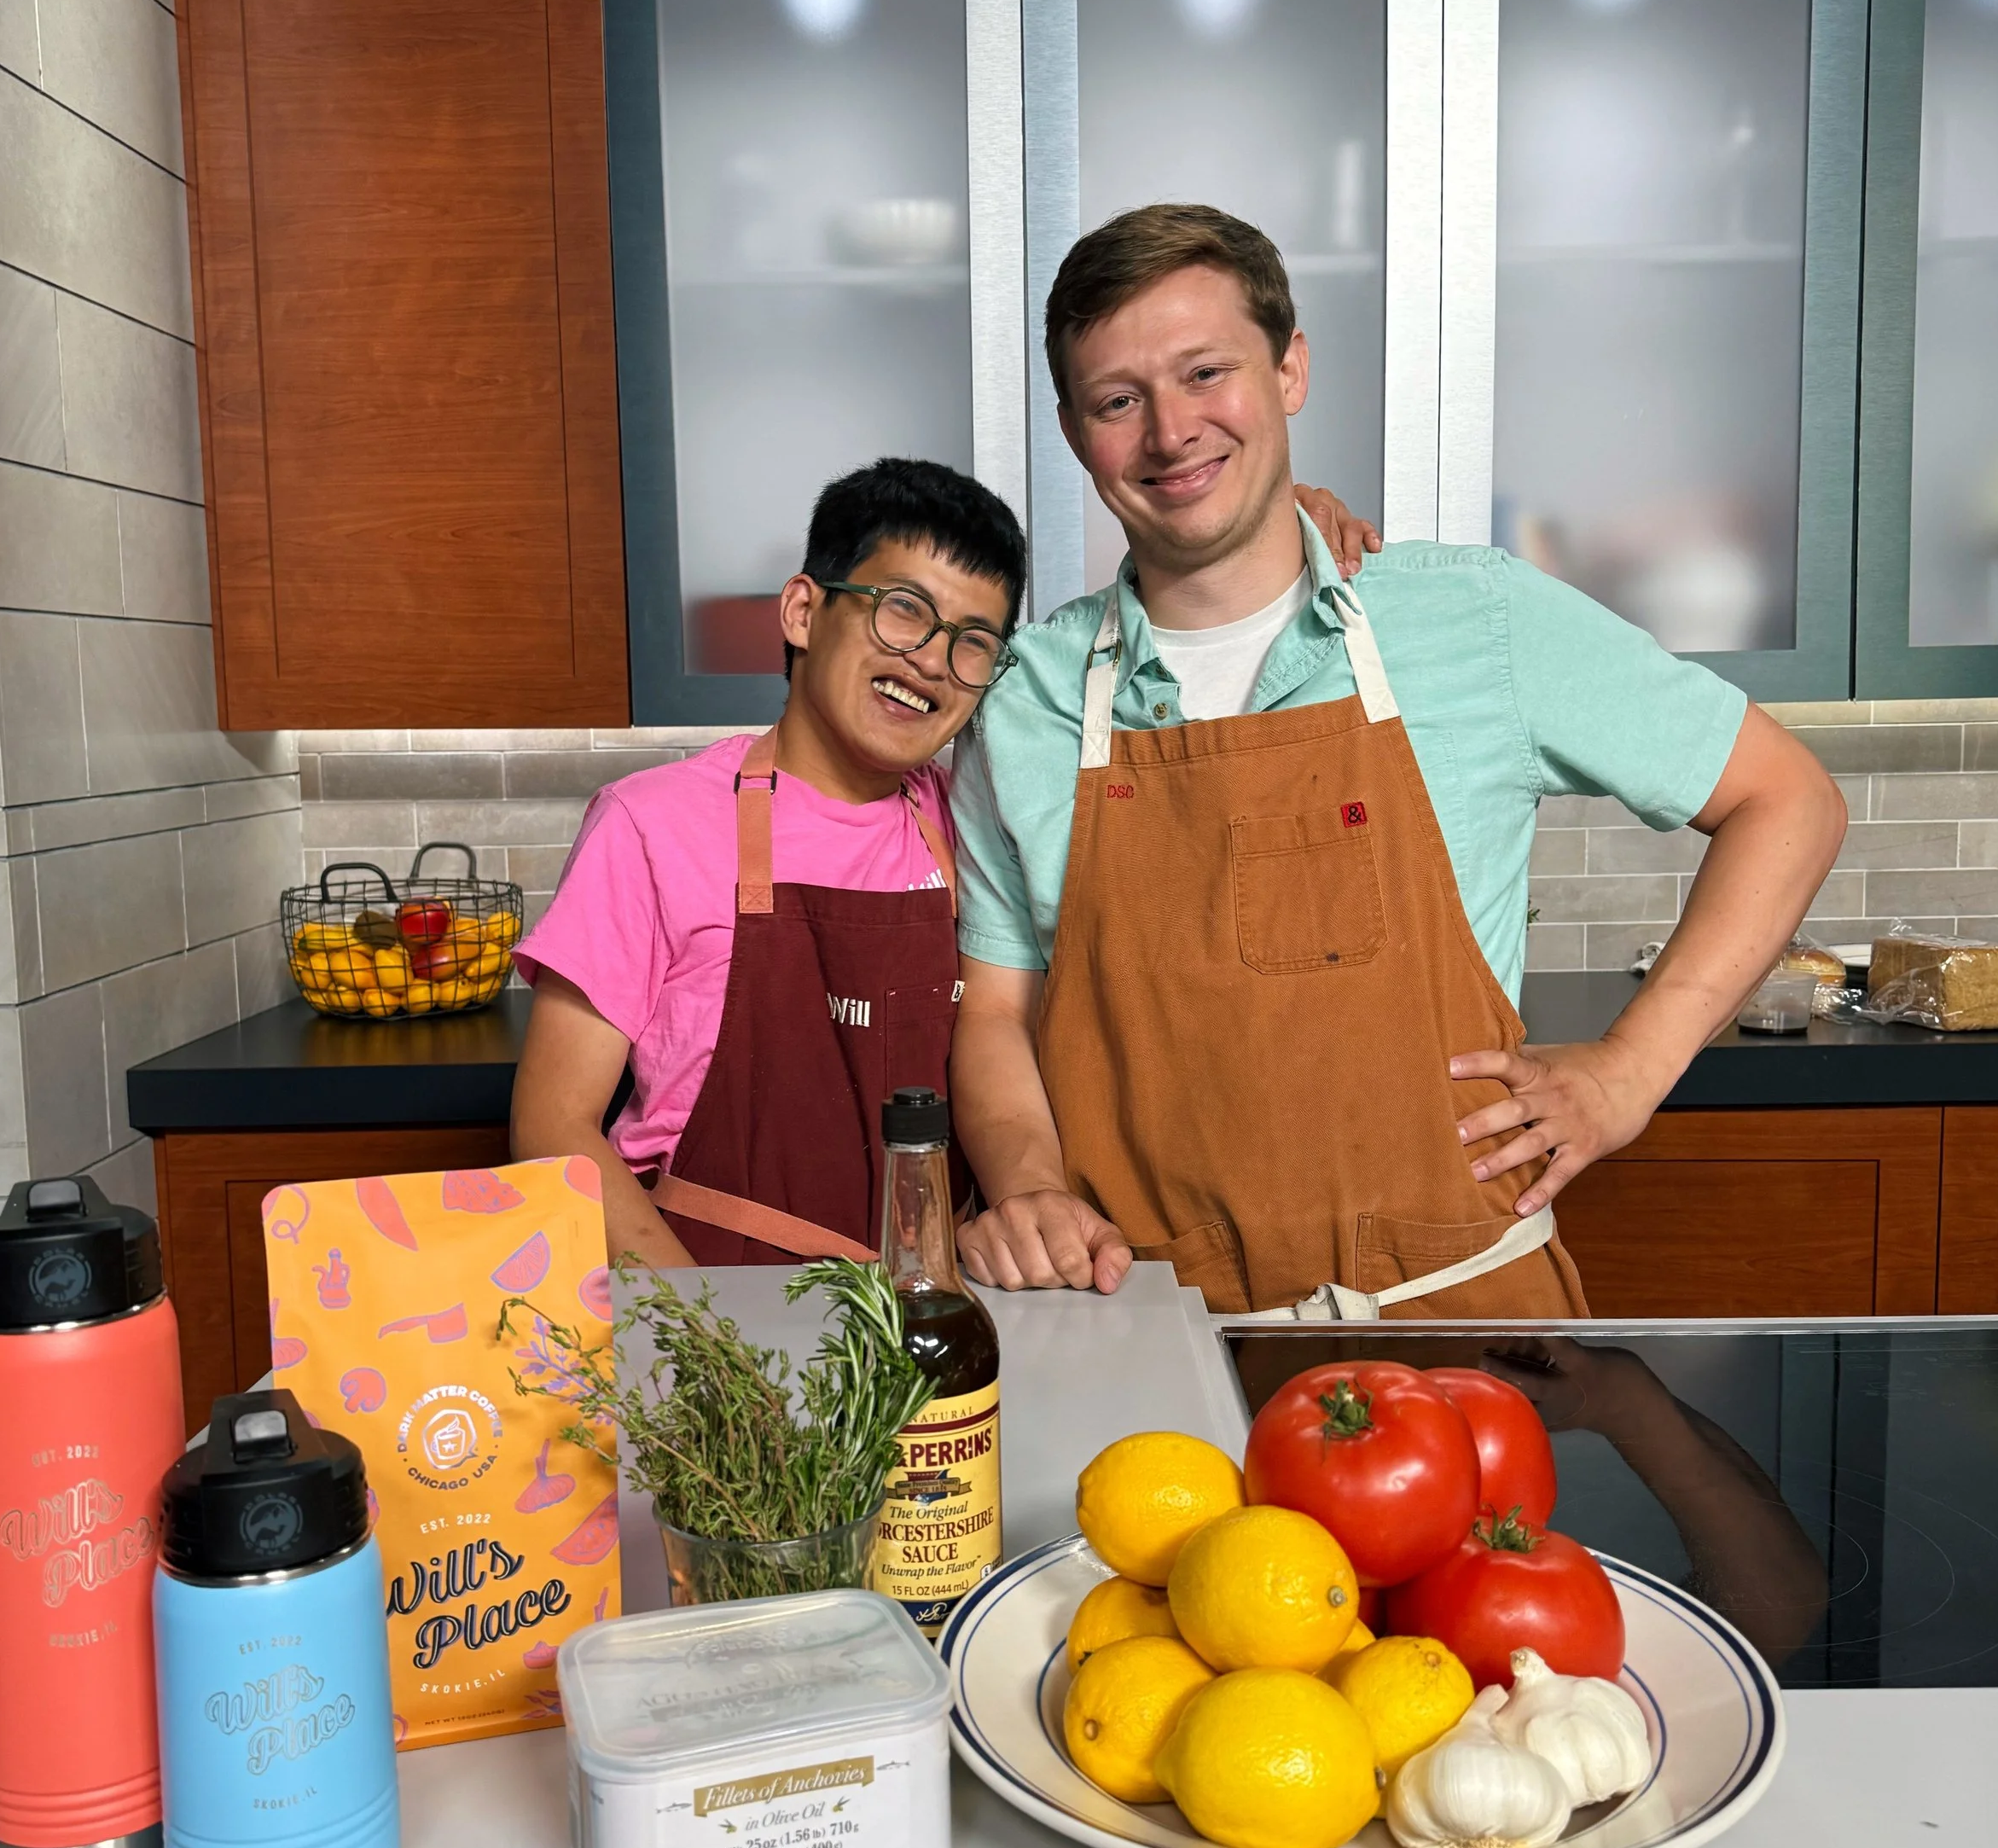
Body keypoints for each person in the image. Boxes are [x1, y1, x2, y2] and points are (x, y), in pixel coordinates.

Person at [950, 203, 1848, 1317]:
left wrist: (1630, 1071)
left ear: (1290, 370)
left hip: (1458, 1328)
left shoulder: (1473, 621)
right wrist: (1030, 1186)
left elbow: (1787, 798)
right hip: (1139, 1340)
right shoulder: (1028, 701)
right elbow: (996, 1010)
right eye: (1119, 401)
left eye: (1205, 373)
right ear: (1076, 431)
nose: (1171, 432)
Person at [509, 451, 1374, 1268]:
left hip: (936, 1301)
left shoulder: (971, 816)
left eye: (972, 641)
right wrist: (701, 1339)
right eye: (902, 611)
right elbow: (553, 1123)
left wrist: (1267, 535)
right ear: (804, 612)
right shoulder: (653, 824)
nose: (929, 659)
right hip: (719, 1296)